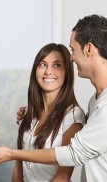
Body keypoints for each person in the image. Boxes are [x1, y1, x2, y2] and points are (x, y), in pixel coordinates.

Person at [0, 14, 107, 182]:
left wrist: (11, 153)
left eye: (73, 50)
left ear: (88, 49)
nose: (71, 58)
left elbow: (74, 154)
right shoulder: (98, 99)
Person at [12, 43, 85, 182]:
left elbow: (63, 176)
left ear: (67, 72)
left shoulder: (74, 115)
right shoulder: (29, 115)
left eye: (57, 65)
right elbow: (19, 166)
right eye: (42, 64)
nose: (48, 72)